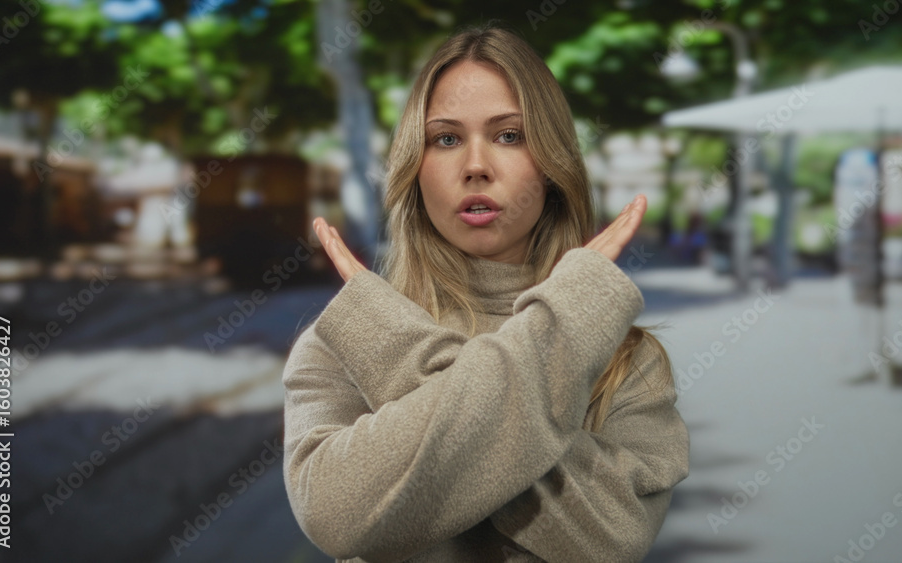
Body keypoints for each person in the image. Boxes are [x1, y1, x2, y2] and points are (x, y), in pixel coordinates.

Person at [282, 24, 689, 563]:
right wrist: (563, 334)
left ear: (551, 166)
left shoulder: (629, 361)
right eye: (446, 139)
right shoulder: (335, 345)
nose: (476, 166)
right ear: (415, 167)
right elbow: (335, 514)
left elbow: (610, 540)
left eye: (509, 135)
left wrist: (399, 352)